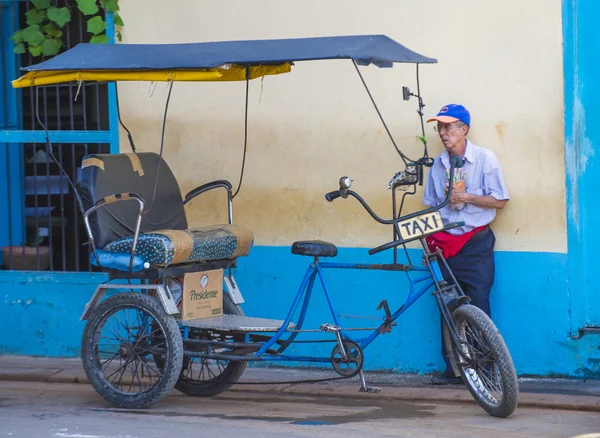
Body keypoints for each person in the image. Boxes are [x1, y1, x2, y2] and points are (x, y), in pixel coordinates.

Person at [422, 104, 509, 385]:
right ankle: (455, 370)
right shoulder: (438, 164)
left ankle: (487, 371)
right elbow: (433, 208)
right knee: (447, 306)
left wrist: (467, 197)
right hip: (444, 245)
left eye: (448, 127)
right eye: (440, 128)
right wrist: (430, 243)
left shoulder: (484, 158)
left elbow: (500, 200)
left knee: (479, 304)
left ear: (464, 130)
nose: (443, 133)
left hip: (475, 244)